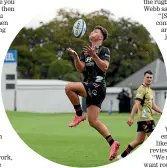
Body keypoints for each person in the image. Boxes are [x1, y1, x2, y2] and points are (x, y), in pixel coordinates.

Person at [65, 25, 120, 161]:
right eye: (92, 31)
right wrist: (76, 57)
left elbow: (105, 67)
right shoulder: (85, 52)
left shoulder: (104, 50)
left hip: (97, 85)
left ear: (100, 37)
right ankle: (113, 143)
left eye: (96, 31)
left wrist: (94, 55)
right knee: (93, 121)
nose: (92, 32)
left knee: (69, 87)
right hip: (91, 86)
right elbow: (80, 69)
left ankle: (79, 114)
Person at [117, 70, 162, 159]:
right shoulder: (142, 89)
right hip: (146, 119)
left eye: (150, 78)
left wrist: (161, 112)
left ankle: (122, 156)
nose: (149, 79)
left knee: (139, 140)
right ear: (144, 77)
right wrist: (131, 117)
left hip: (143, 120)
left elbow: (153, 105)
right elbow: (136, 104)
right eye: (147, 77)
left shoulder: (149, 90)